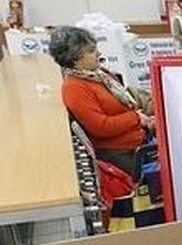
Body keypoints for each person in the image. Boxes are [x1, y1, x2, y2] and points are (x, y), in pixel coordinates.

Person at [49, 26, 154, 177]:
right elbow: (101, 127)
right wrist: (136, 118)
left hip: (139, 141)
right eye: (91, 51)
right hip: (119, 154)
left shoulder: (99, 74)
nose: (99, 53)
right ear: (75, 57)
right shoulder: (74, 88)